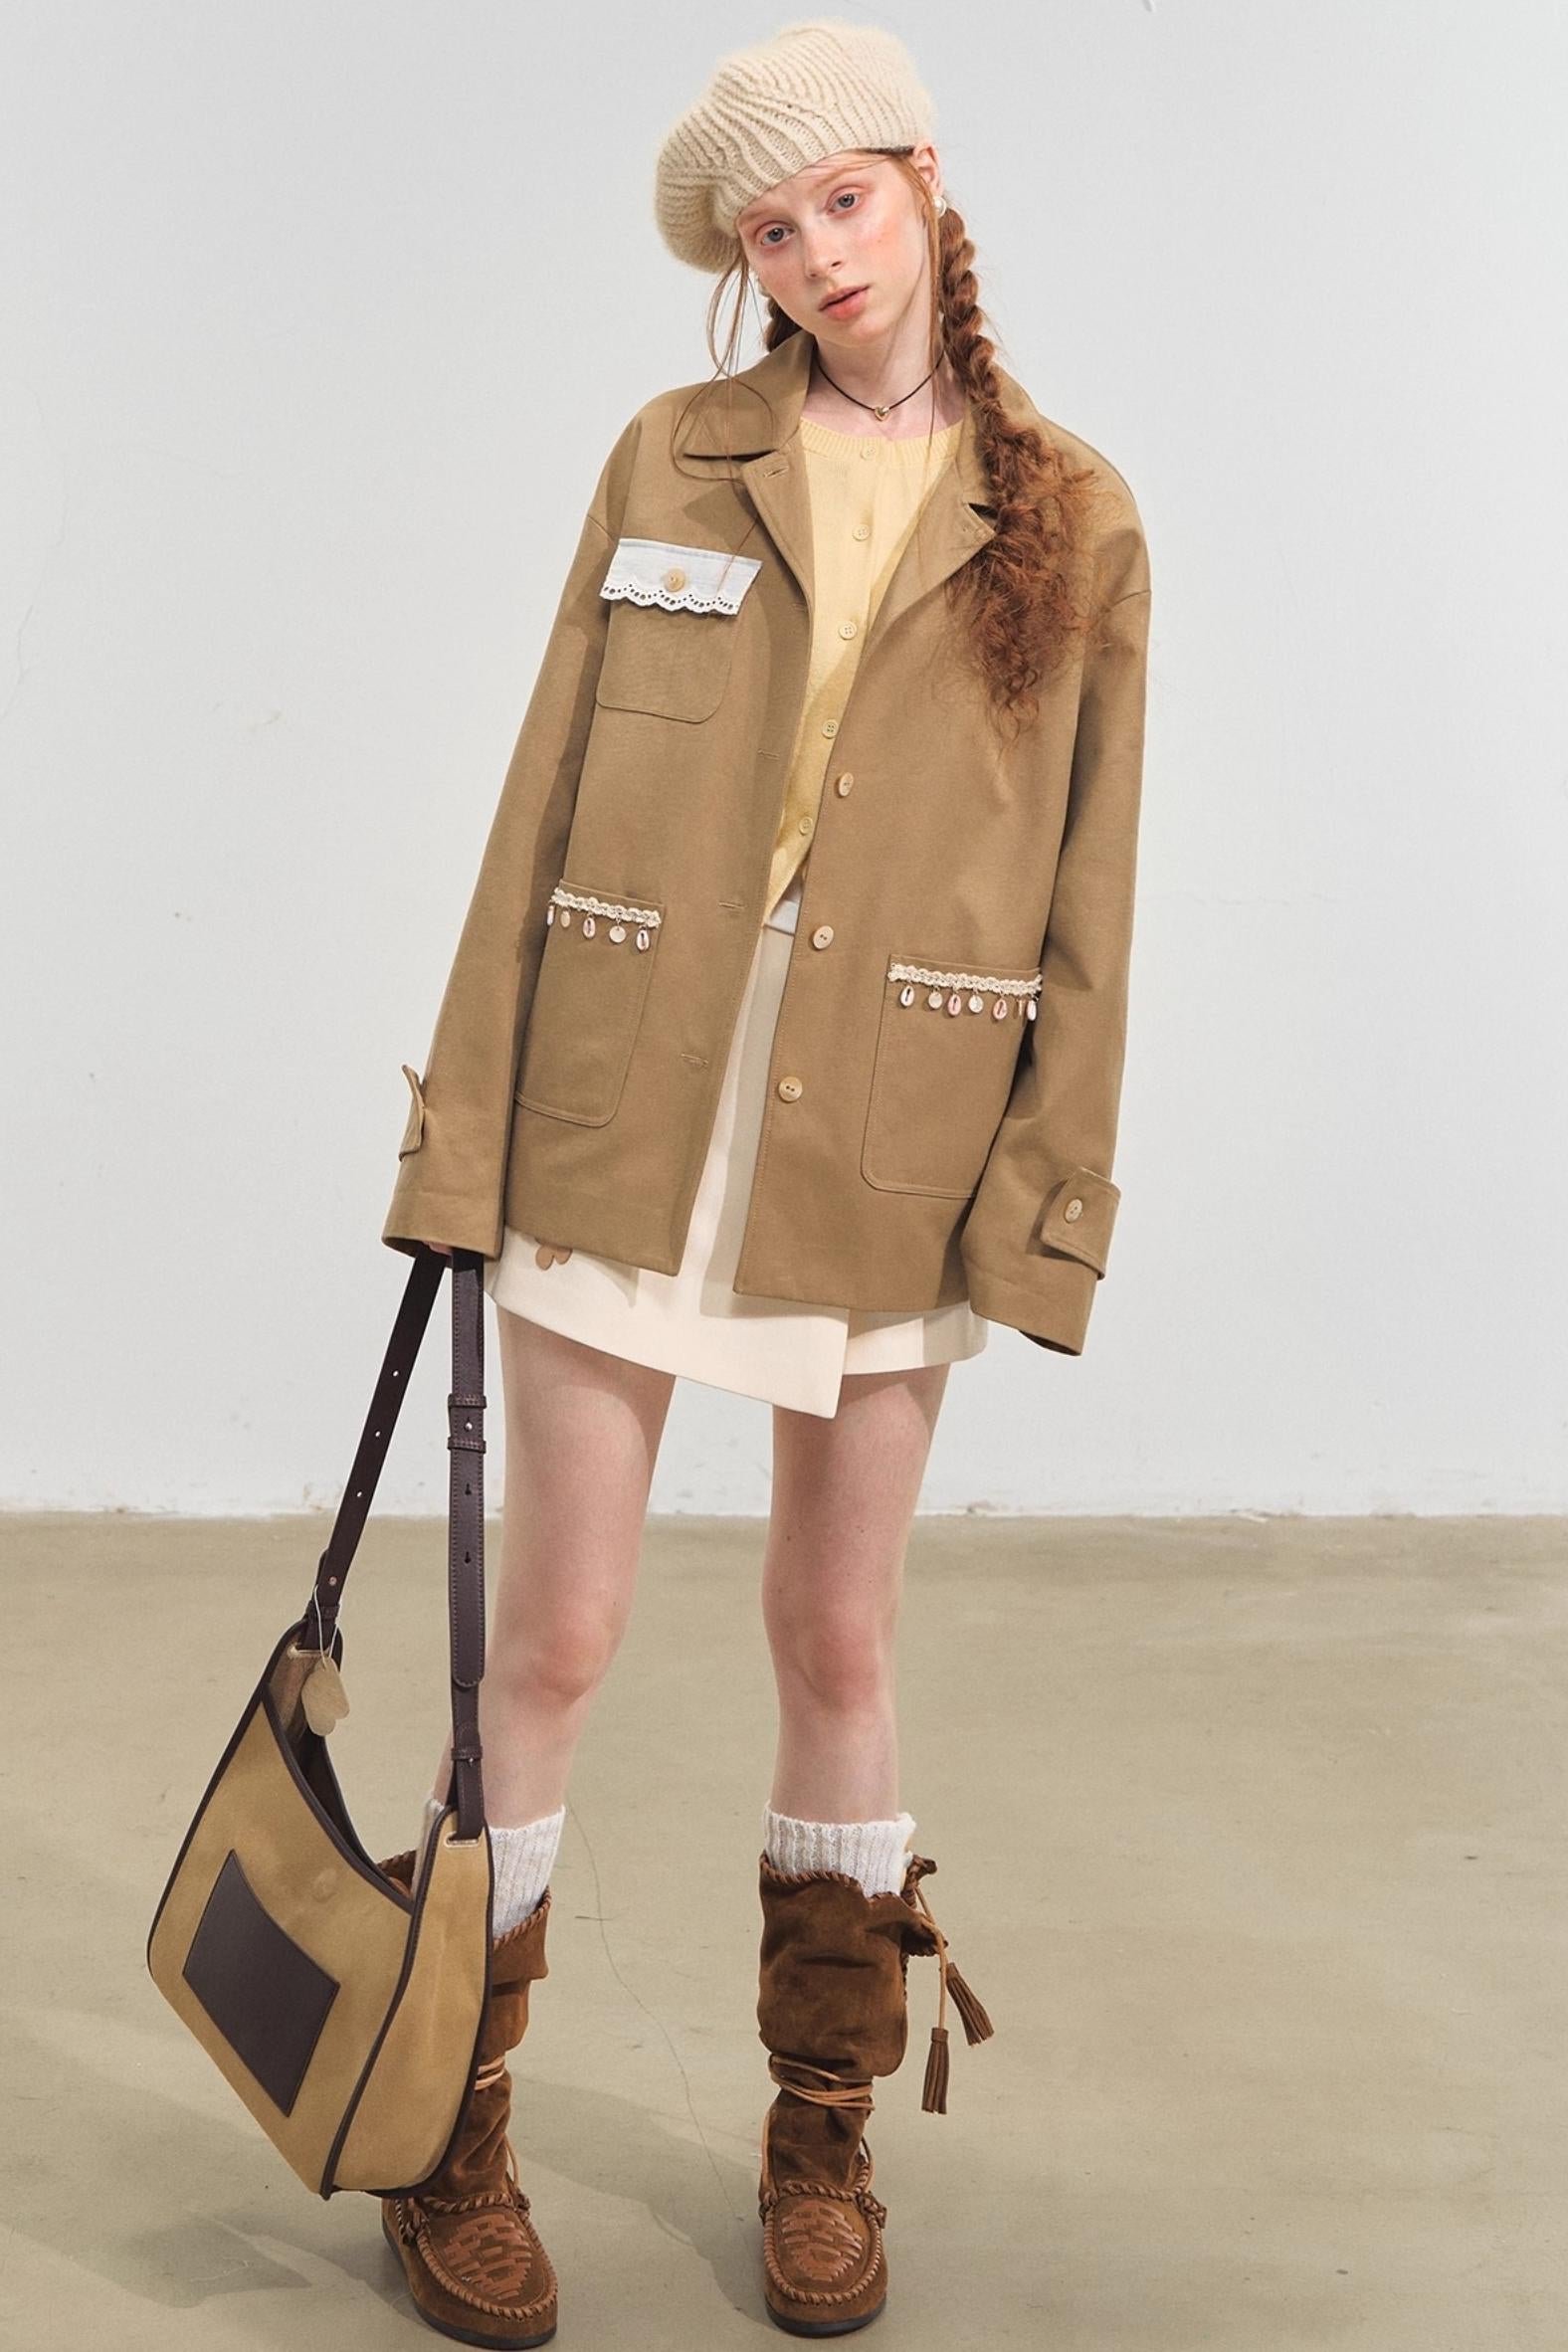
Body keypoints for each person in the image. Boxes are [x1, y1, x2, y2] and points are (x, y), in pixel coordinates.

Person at [374, 18, 1151, 2343]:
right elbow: (539, 799)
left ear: (922, 183)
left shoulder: (1073, 514)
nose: (813, 256)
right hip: (620, 1112)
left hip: (886, 1148)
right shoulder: (670, 456)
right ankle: (445, 2126)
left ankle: (821, 2130)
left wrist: (1041, 1205)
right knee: (552, 1637)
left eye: (842, 202)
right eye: (769, 231)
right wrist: (460, 1140)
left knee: (835, 1638)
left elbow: (1090, 906)